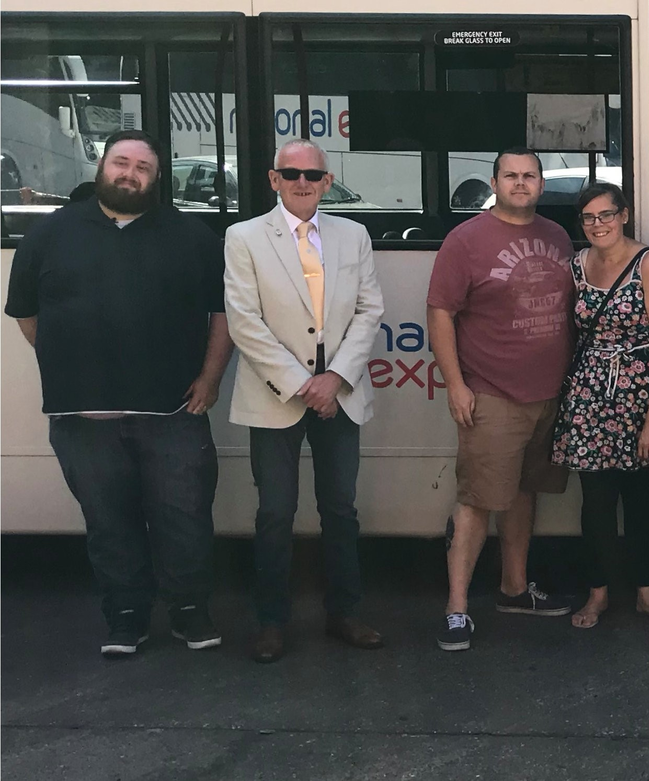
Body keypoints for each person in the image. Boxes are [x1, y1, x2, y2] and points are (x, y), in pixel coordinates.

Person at [5, 129, 232, 658]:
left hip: (173, 410)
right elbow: (26, 315)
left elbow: (222, 316)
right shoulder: (48, 235)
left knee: (185, 517)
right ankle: (125, 616)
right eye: (121, 163)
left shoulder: (192, 237)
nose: (129, 174)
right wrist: (74, 364)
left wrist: (211, 378)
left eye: (142, 168)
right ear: (102, 166)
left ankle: (189, 611)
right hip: (81, 417)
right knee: (109, 522)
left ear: (156, 179)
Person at [223, 139, 387, 662]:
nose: (302, 182)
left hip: (339, 395)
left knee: (340, 509)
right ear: (273, 180)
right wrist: (302, 383)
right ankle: (271, 622)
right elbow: (244, 322)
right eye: (290, 173)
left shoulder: (353, 234)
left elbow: (369, 310)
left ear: (327, 181)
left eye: (312, 174)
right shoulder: (243, 237)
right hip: (277, 396)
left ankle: (344, 613)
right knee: (275, 512)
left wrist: (335, 378)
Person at [426, 148, 578, 652]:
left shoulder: (557, 236)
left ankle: (514, 589)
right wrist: (455, 384)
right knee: (476, 501)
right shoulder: (465, 240)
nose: (520, 183)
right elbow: (441, 312)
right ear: (494, 181)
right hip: (491, 394)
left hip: (549, 395)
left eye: (529, 175)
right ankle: (456, 609)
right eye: (510, 175)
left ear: (541, 183)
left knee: (522, 493)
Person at [550, 183, 649, 630]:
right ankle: (597, 593)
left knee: (641, 502)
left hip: (646, 396)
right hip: (593, 398)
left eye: (606, 215)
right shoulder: (577, 266)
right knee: (595, 503)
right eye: (589, 218)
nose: (598, 225)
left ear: (624, 215)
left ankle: (646, 593)